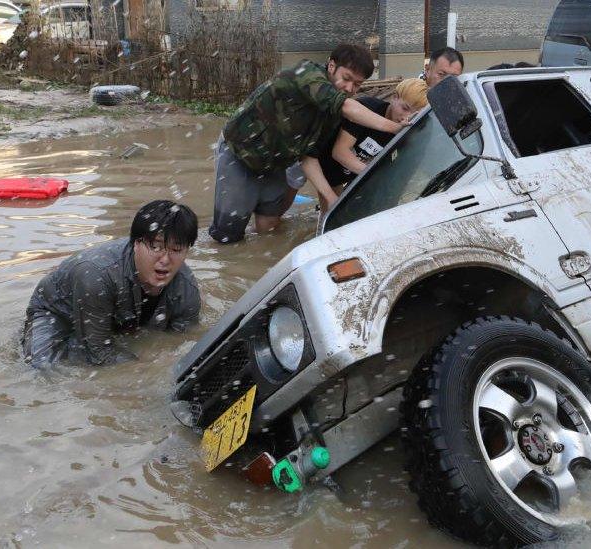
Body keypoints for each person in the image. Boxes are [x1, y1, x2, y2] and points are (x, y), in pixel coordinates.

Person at [209, 44, 409, 244]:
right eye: (346, 78)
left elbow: (309, 158)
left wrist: (331, 199)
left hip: (276, 162)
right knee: (227, 236)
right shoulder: (306, 73)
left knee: (269, 225)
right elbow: (346, 106)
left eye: (357, 84)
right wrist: (394, 127)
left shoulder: (331, 114)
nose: (349, 88)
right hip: (240, 152)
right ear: (331, 66)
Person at [22, 200, 201, 368]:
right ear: (136, 244)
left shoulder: (186, 287)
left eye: (176, 249)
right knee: (41, 366)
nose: (165, 259)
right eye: (155, 247)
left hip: (120, 315)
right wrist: (146, 366)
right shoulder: (95, 274)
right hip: (58, 313)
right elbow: (99, 353)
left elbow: (184, 340)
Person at [305, 78, 428, 209]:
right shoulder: (367, 109)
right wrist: (374, 174)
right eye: (405, 108)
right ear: (394, 97)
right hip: (322, 161)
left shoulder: (410, 130)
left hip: (353, 171)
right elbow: (340, 152)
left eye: (414, 114)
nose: (406, 117)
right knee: (324, 209)